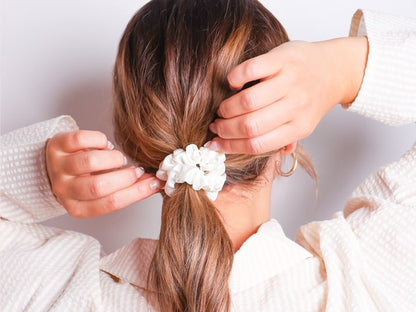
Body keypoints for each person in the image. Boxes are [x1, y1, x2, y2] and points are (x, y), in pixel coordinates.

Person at [1, 0, 415, 311]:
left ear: (135, 141)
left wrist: (38, 175)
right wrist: (342, 70)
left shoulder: (54, 291)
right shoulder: (361, 283)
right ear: (288, 139)